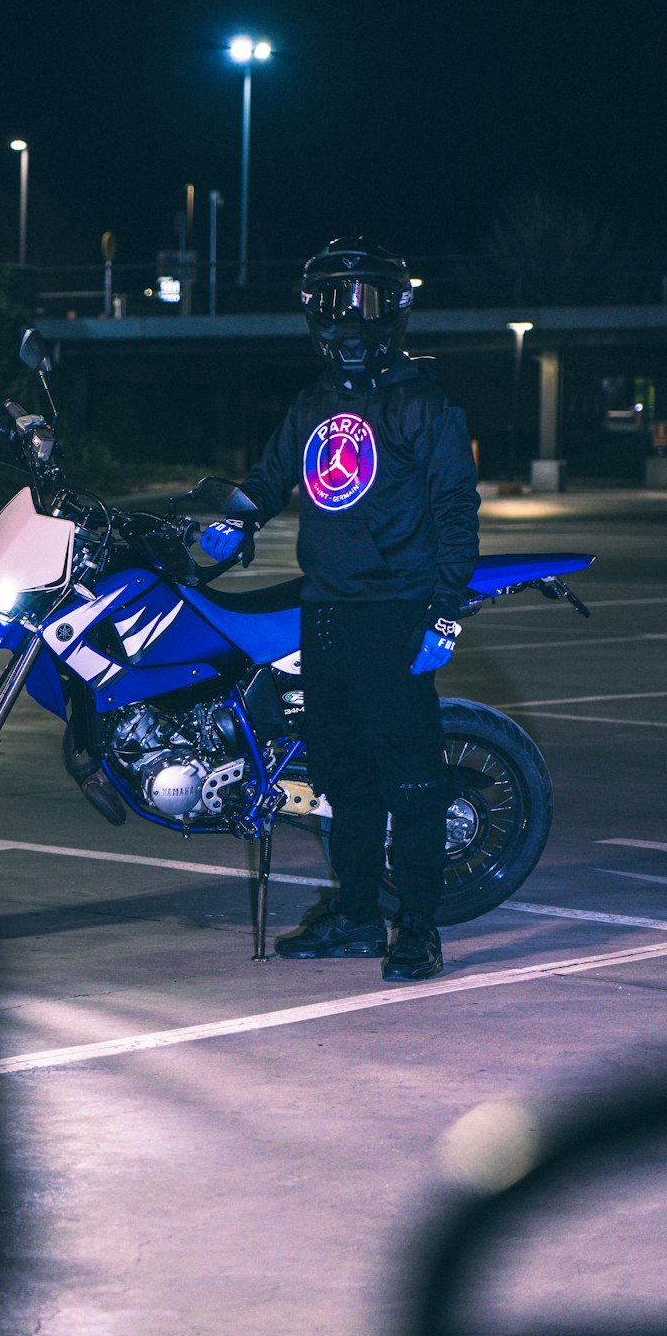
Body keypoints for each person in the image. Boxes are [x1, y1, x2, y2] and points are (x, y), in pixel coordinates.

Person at [201, 238, 480, 980]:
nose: (350, 321)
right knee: (345, 783)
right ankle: (358, 917)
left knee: (412, 782)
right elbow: (268, 479)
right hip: (323, 614)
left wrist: (445, 613)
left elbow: (457, 509)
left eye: (367, 302)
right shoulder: (312, 403)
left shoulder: (424, 404)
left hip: (395, 615)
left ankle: (416, 926)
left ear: (395, 311)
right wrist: (235, 515)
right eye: (334, 303)